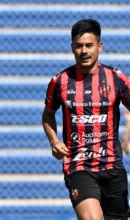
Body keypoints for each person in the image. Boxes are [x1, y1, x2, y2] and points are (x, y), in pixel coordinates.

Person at [42, 19, 129, 220]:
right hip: (79, 166)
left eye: (89, 45)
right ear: (72, 47)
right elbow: (48, 114)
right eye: (79, 46)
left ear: (99, 46)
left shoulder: (117, 78)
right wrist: (54, 140)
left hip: (112, 165)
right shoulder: (60, 81)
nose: (84, 51)